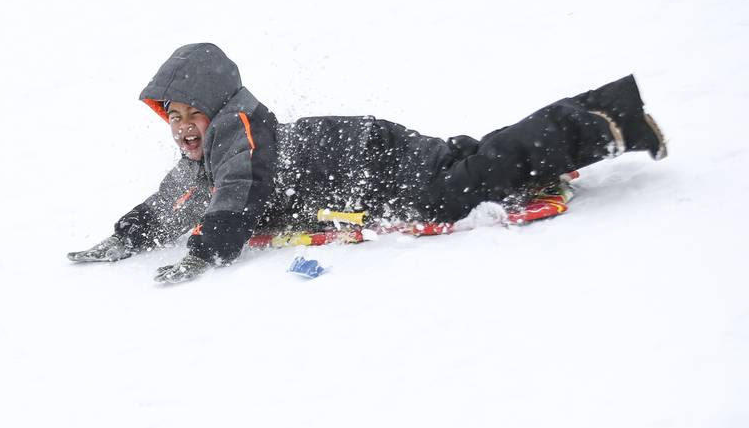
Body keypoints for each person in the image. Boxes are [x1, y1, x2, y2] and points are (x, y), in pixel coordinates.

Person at [68, 43, 667, 283]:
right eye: (171, 117)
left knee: (444, 194)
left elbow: (236, 198)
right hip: (371, 156)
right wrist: (127, 236)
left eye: (189, 113)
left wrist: (204, 253)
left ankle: (609, 122)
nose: (180, 128)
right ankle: (561, 139)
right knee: (461, 165)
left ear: (217, 107)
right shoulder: (215, 150)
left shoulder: (240, 137)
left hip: (377, 163)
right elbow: (180, 199)